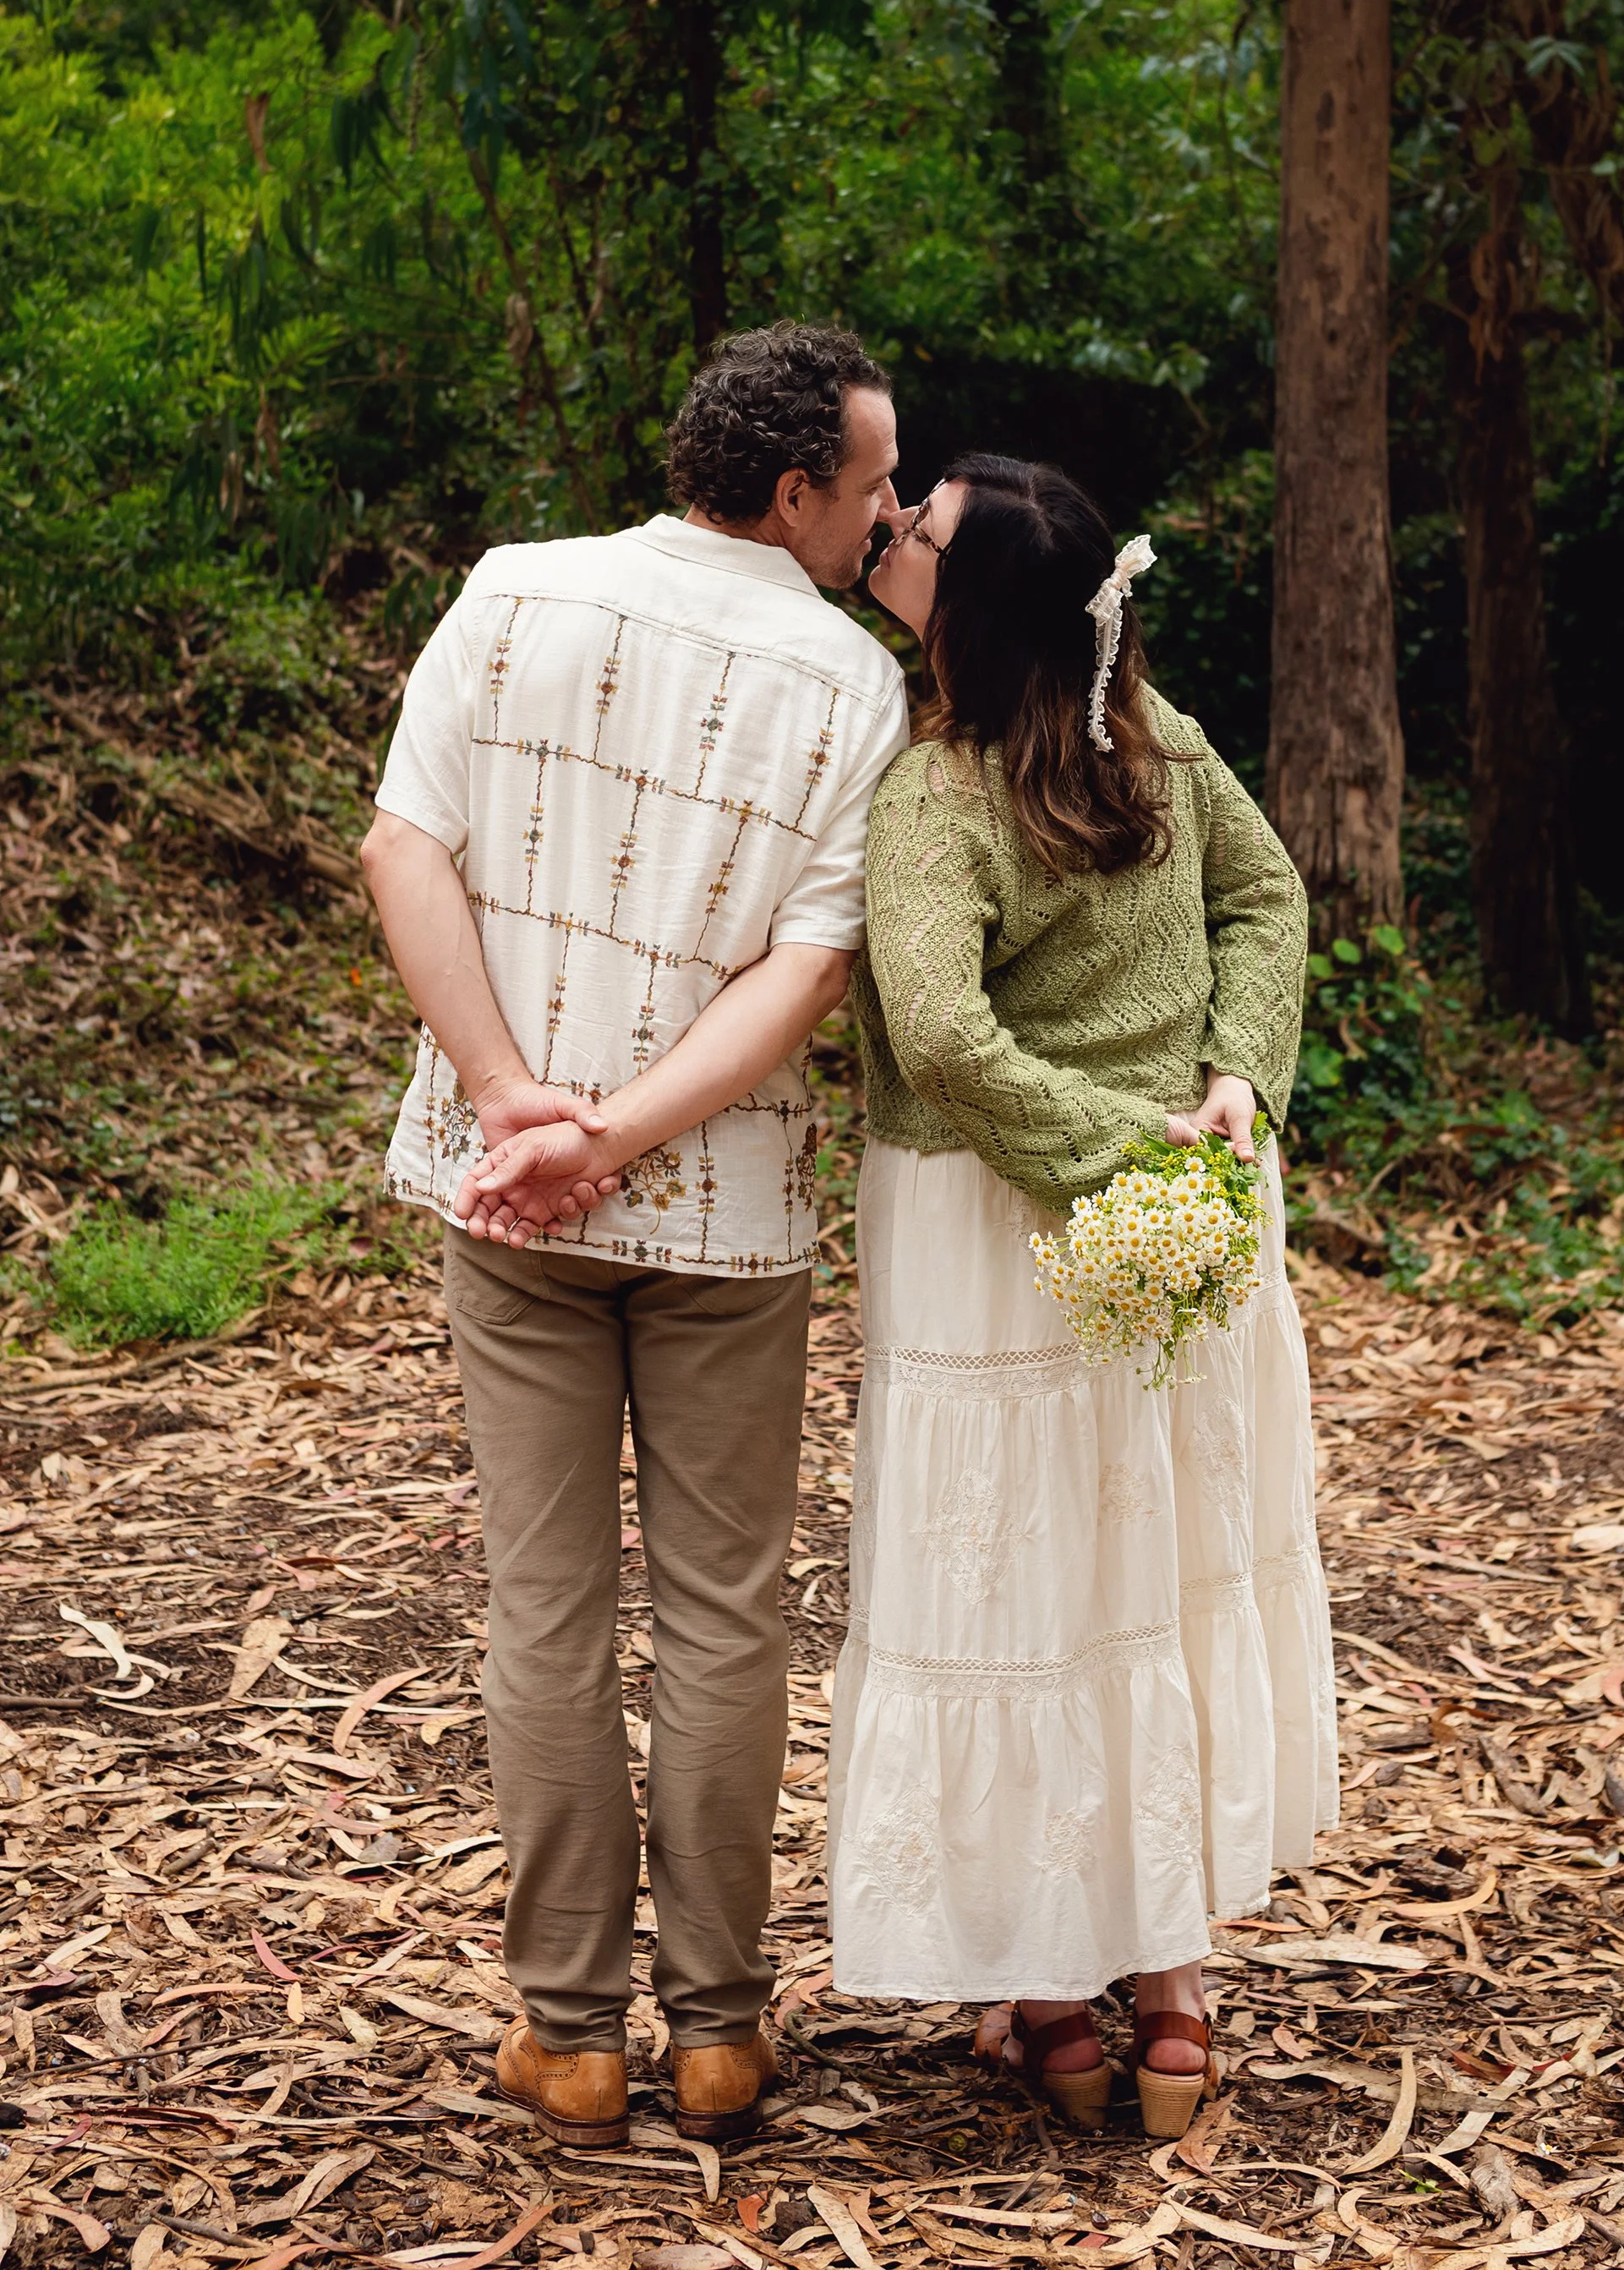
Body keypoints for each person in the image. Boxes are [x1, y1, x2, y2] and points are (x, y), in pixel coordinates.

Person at [361, 323, 910, 2151]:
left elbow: (402, 851)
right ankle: (725, 2033)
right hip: (722, 1214)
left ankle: (571, 2032)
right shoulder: (851, 682)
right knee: (723, 1610)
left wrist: (522, 1103)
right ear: (788, 489)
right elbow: (806, 970)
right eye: (870, 484)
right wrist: (623, 1131)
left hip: (504, 1191)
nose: (883, 514)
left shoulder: (510, 590)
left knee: (546, 1599)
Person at [825, 455, 1336, 2140]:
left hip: (1001, 1222)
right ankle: (1172, 2004)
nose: (890, 532)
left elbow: (948, 1037)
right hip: (1187, 1211)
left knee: (1033, 1588)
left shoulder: (936, 795)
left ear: (970, 613)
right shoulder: (1150, 739)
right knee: (1154, 1574)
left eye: (923, 531)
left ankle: (1052, 1997)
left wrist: (1143, 1135)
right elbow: (1269, 899)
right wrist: (1223, 1110)